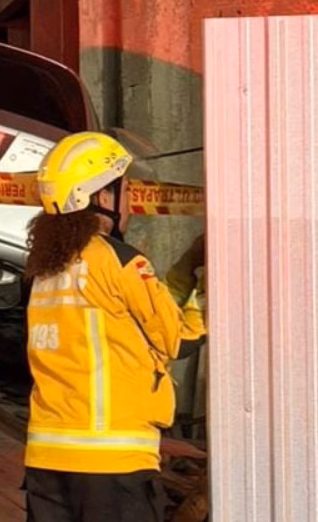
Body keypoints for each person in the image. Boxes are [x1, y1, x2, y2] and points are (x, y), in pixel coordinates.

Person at [21, 131, 207, 522]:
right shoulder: (119, 261)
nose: (131, 203)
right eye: (125, 190)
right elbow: (177, 337)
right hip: (110, 462)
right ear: (102, 197)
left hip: (47, 461)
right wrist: (207, 290)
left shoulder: (45, 269)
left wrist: (183, 272)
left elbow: (134, 319)